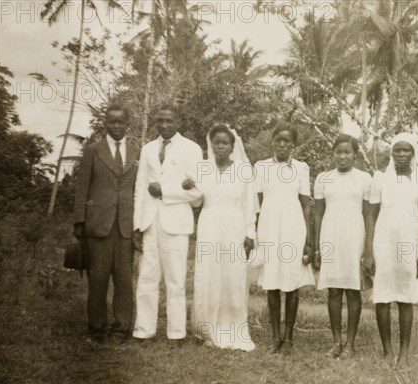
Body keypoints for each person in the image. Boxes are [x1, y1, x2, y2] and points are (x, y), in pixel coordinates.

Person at [132, 105, 203, 341]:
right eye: (160, 120)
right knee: (147, 278)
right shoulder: (148, 149)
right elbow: (140, 188)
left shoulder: (192, 149)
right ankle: (144, 330)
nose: (163, 125)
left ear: (178, 122)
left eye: (169, 121)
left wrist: (165, 190)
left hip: (176, 223)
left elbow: (197, 192)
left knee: (175, 280)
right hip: (150, 222)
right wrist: (137, 225)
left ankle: (176, 333)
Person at [362, 132, 418, 367]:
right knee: (382, 296)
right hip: (383, 241)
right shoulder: (380, 178)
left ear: (413, 153)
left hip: (409, 243)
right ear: (391, 153)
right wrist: (368, 251)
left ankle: (404, 353)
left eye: (406, 150)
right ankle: (387, 350)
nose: (402, 154)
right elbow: (370, 216)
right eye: (397, 150)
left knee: (405, 296)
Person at [186, 124, 257, 351]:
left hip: (235, 227)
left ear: (232, 146)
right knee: (209, 275)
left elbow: (249, 206)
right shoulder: (202, 169)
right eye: (216, 142)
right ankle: (207, 330)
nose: (220, 146)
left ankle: (234, 328)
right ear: (211, 144)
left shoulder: (244, 170)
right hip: (209, 226)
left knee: (232, 276)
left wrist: (250, 234)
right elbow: (196, 202)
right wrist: (189, 187)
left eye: (224, 143)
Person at [73, 104, 139, 343]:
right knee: (98, 277)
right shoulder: (93, 151)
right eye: (112, 122)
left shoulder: (135, 152)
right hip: (97, 225)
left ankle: (121, 328)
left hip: (125, 225)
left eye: (121, 122)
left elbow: (138, 189)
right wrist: (79, 221)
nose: (117, 126)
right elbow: (82, 186)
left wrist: (139, 223)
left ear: (127, 124)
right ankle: (97, 328)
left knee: (123, 278)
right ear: (105, 124)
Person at [254, 123, 315, 354]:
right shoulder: (260, 167)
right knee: (271, 284)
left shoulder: (301, 168)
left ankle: (288, 338)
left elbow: (305, 205)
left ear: (293, 145)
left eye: (287, 141)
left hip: (293, 229)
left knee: (291, 283)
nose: (282, 144)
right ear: (272, 142)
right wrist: (255, 232)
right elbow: (256, 203)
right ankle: (275, 337)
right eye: (278, 139)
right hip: (269, 228)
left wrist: (308, 241)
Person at [313, 134, 372, 359]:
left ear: (355, 155)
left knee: (353, 290)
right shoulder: (323, 178)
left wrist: (368, 248)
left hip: (355, 235)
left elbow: (368, 215)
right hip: (330, 235)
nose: (343, 156)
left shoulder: (365, 179)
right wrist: (317, 245)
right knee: (334, 290)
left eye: (347, 152)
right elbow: (317, 213)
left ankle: (350, 343)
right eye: (338, 152)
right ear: (333, 154)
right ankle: (336, 342)